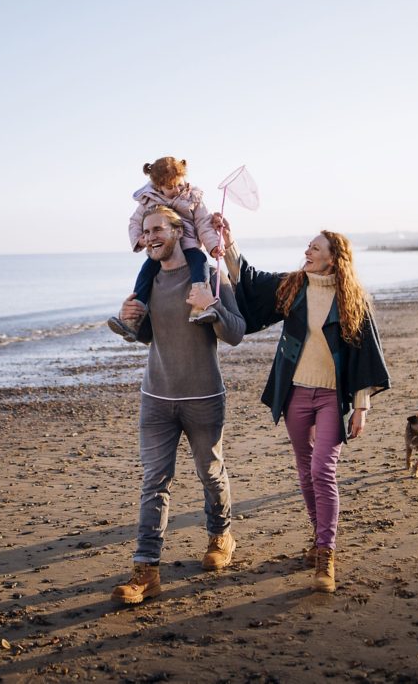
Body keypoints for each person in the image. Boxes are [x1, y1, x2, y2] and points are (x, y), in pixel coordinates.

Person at [216, 214, 390, 593]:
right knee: (305, 468)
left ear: (333, 258)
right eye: (308, 246)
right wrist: (228, 241)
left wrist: (361, 407)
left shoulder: (350, 300)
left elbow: (363, 354)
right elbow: (250, 278)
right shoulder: (293, 287)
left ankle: (326, 554)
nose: (307, 252)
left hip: (330, 398)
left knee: (323, 470)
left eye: (315, 248)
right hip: (295, 393)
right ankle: (317, 536)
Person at [110, 205, 245, 605]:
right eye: (145, 230)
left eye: (157, 229)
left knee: (210, 472)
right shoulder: (148, 280)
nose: (149, 236)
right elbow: (151, 336)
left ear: (177, 230)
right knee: (154, 482)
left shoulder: (208, 275)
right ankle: (146, 570)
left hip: (203, 396)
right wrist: (130, 320)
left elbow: (235, 333)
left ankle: (221, 536)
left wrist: (212, 305)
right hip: (156, 397)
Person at [108, 156, 223, 342]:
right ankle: (132, 318)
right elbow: (135, 222)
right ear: (158, 186)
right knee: (146, 272)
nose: (177, 190)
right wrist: (141, 239)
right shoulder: (148, 201)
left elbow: (203, 223)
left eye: (179, 184)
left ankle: (199, 307)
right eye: (171, 187)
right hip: (160, 250)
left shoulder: (192, 197)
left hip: (190, 245)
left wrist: (214, 246)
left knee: (200, 263)